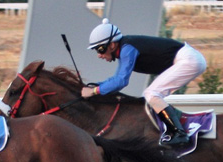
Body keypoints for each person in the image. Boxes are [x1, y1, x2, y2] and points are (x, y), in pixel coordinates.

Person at [82, 18, 207, 147]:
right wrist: (97, 86)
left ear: (112, 45)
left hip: (188, 60)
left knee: (151, 93)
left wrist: (94, 91)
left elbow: (121, 81)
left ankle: (178, 133)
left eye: (100, 49)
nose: (99, 55)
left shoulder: (127, 49)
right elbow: (117, 78)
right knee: (152, 95)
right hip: (188, 58)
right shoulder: (125, 48)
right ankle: (175, 128)